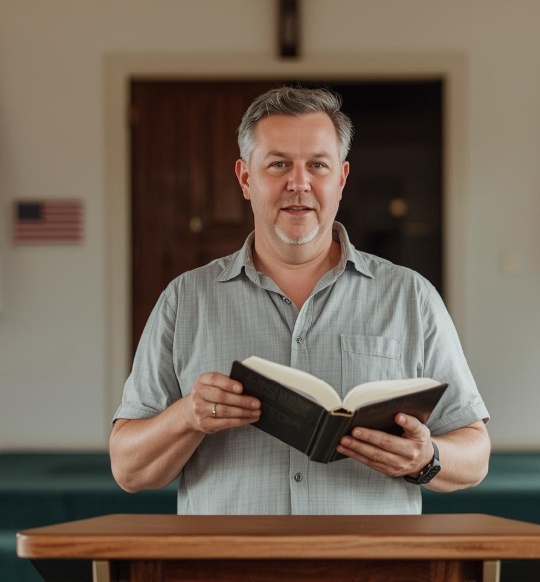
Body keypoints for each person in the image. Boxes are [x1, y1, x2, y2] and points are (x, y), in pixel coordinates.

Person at [109, 86, 490, 515]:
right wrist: (185, 417)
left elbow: (475, 453)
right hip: (228, 575)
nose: (299, 183)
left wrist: (428, 459)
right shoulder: (184, 300)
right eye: (278, 165)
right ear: (245, 178)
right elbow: (128, 469)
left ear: (341, 179)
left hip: (369, 575)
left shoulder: (411, 297)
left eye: (317, 165)